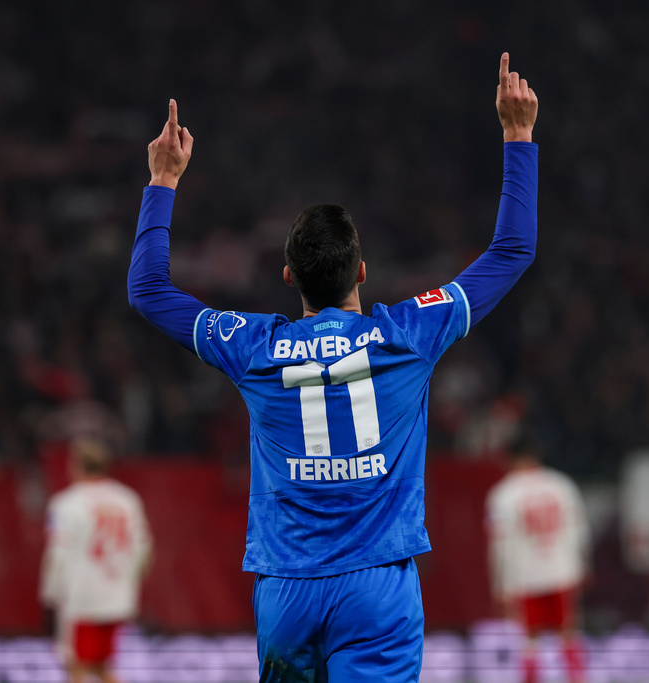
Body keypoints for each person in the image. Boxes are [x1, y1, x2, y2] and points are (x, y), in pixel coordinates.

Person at [128, 52, 539, 682]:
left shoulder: (254, 346)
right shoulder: (408, 333)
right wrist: (518, 136)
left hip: (288, 590)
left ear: (289, 276)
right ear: (363, 272)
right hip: (377, 589)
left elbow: (148, 291)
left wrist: (162, 181)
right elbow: (512, 250)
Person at [40, 438, 153, 683]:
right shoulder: (128, 499)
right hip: (118, 596)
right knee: (103, 667)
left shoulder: (65, 504)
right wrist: (129, 583)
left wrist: (50, 594)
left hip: (81, 599)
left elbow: (57, 553)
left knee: (76, 668)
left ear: (75, 465)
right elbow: (144, 548)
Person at [486, 434, 590, 683]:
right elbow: (579, 530)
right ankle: (578, 678)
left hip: (525, 576)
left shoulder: (503, 495)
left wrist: (500, 583)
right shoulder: (561, 485)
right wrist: (582, 566)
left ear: (509, 460)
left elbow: (500, 544)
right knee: (569, 632)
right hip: (561, 570)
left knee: (529, 639)